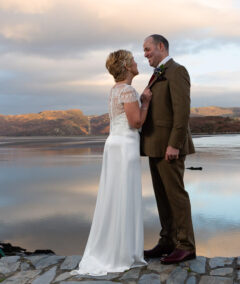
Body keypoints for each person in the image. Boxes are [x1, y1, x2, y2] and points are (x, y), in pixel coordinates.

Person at [71, 50, 152, 276]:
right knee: (124, 195)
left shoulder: (114, 90)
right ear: (126, 66)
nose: (137, 63)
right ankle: (122, 252)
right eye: (134, 60)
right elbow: (135, 122)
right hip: (125, 145)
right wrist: (145, 103)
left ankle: (113, 247)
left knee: (113, 195)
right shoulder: (127, 90)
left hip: (113, 145)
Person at [141, 34, 196, 264]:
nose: (145, 54)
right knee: (162, 197)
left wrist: (174, 143)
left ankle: (186, 245)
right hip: (154, 145)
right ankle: (167, 241)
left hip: (169, 147)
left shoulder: (177, 71)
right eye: (144, 51)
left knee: (176, 196)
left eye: (147, 49)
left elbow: (182, 111)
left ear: (161, 47)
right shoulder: (155, 75)